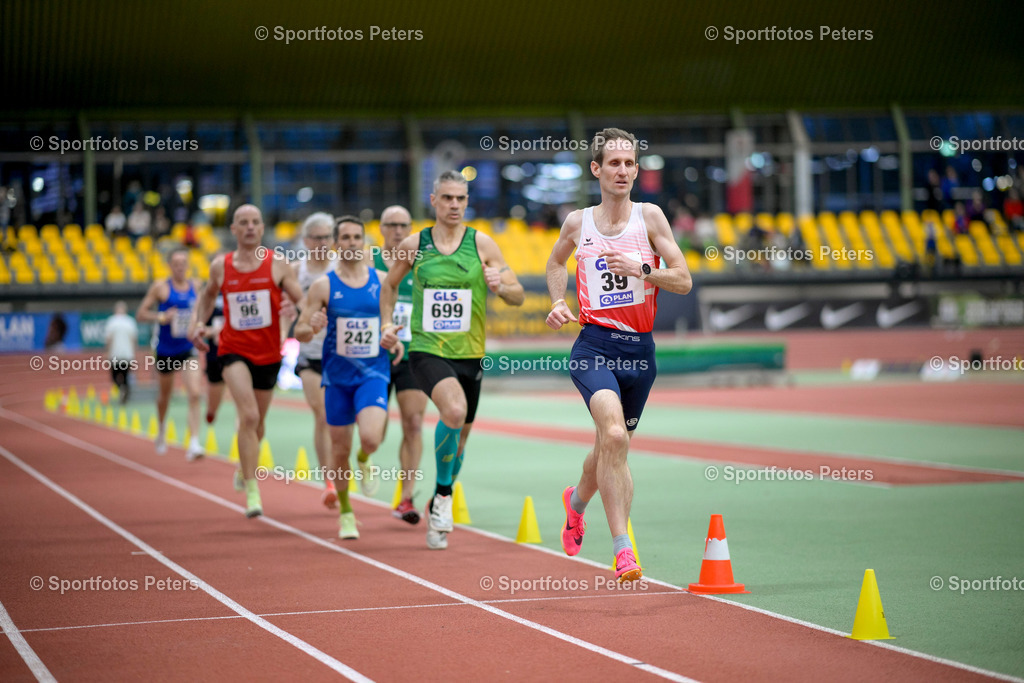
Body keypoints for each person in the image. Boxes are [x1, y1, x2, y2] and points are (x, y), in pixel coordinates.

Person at [545, 128, 692, 583]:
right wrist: (557, 301)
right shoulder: (578, 223)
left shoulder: (650, 218)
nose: (623, 171)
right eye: (614, 163)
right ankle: (623, 549)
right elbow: (555, 263)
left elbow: (684, 279)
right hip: (594, 345)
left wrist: (643, 270)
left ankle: (575, 503)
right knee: (613, 434)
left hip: (640, 353)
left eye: (630, 163)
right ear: (597, 169)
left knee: (611, 446)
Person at [380, 171, 525, 550]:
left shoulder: (482, 244)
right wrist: (386, 323)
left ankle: (438, 498)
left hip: (471, 355)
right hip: (427, 350)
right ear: (434, 201)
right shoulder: (415, 244)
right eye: (447, 198)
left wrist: (502, 286)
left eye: (461, 198)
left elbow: (518, 295)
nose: (455, 205)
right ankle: (444, 498)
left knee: (459, 441)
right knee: (454, 410)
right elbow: (389, 285)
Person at [188, 204, 303, 518]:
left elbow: (301, 299)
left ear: (262, 228)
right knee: (248, 416)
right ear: (234, 229)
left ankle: (245, 465)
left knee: (258, 424)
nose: (250, 227)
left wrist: (305, 314)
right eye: (243, 222)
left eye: (255, 222)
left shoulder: (278, 264)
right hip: (233, 349)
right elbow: (207, 295)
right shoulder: (221, 266)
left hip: (269, 352)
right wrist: (197, 323)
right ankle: (253, 490)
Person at [294, 216, 402, 540]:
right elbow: (300, 330)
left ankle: (364, 458)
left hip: (373, 373)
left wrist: (390, 337)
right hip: (337, 378)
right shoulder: (323, 286)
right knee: (339, 449)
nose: (352, 243)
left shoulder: (382, 280)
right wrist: (311, 326)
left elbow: (388, 322)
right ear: (335, 244)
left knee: (370, 437)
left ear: (364, 242)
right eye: (346, 237)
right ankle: (345, 512)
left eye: (357, 237)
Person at [291, 212, 349, 509]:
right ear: (306, 240)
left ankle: (345, 468)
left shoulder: (343, 267)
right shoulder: (296, 271)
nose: (323, 242)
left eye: (328, 237)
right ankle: (329, 482)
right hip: (311, 354)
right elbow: (281, 302)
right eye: (317, 237)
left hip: (342, 353)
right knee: (323, 415)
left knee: (342, 421)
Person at [375, 205, 426, 524]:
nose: (397, 230)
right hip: (375, 355)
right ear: (380, 228)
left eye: (403, 225)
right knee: (373, 434)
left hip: (413, 355)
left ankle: (406, 498)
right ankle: (365, 455)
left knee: (414, 423)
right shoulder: (368, 261)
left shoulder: (422, 264)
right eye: (391, 224)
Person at [136, 248, 204, 460]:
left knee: (195, 393)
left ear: (188, 265)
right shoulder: (161, 287)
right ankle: (162, 426)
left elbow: (202, 311)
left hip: (188, 348)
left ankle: (194, 442)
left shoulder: (196, 286)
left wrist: (199, 323)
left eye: (183, 263)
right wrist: (161, 317)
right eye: (176, 263)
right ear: (170, 266)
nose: (180, 267)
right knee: (165, 395)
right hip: (166, 350)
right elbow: (140, 314)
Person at [104, 301, 138, 404]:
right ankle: (125, 389)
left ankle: (120, 388)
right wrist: (134, 353)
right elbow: (134, 339)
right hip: (127, 354)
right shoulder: (130, 321)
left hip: (115, 354)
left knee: (114, 375)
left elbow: (109, 339)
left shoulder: (111, 321)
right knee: (126, 375)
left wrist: (107, 352)